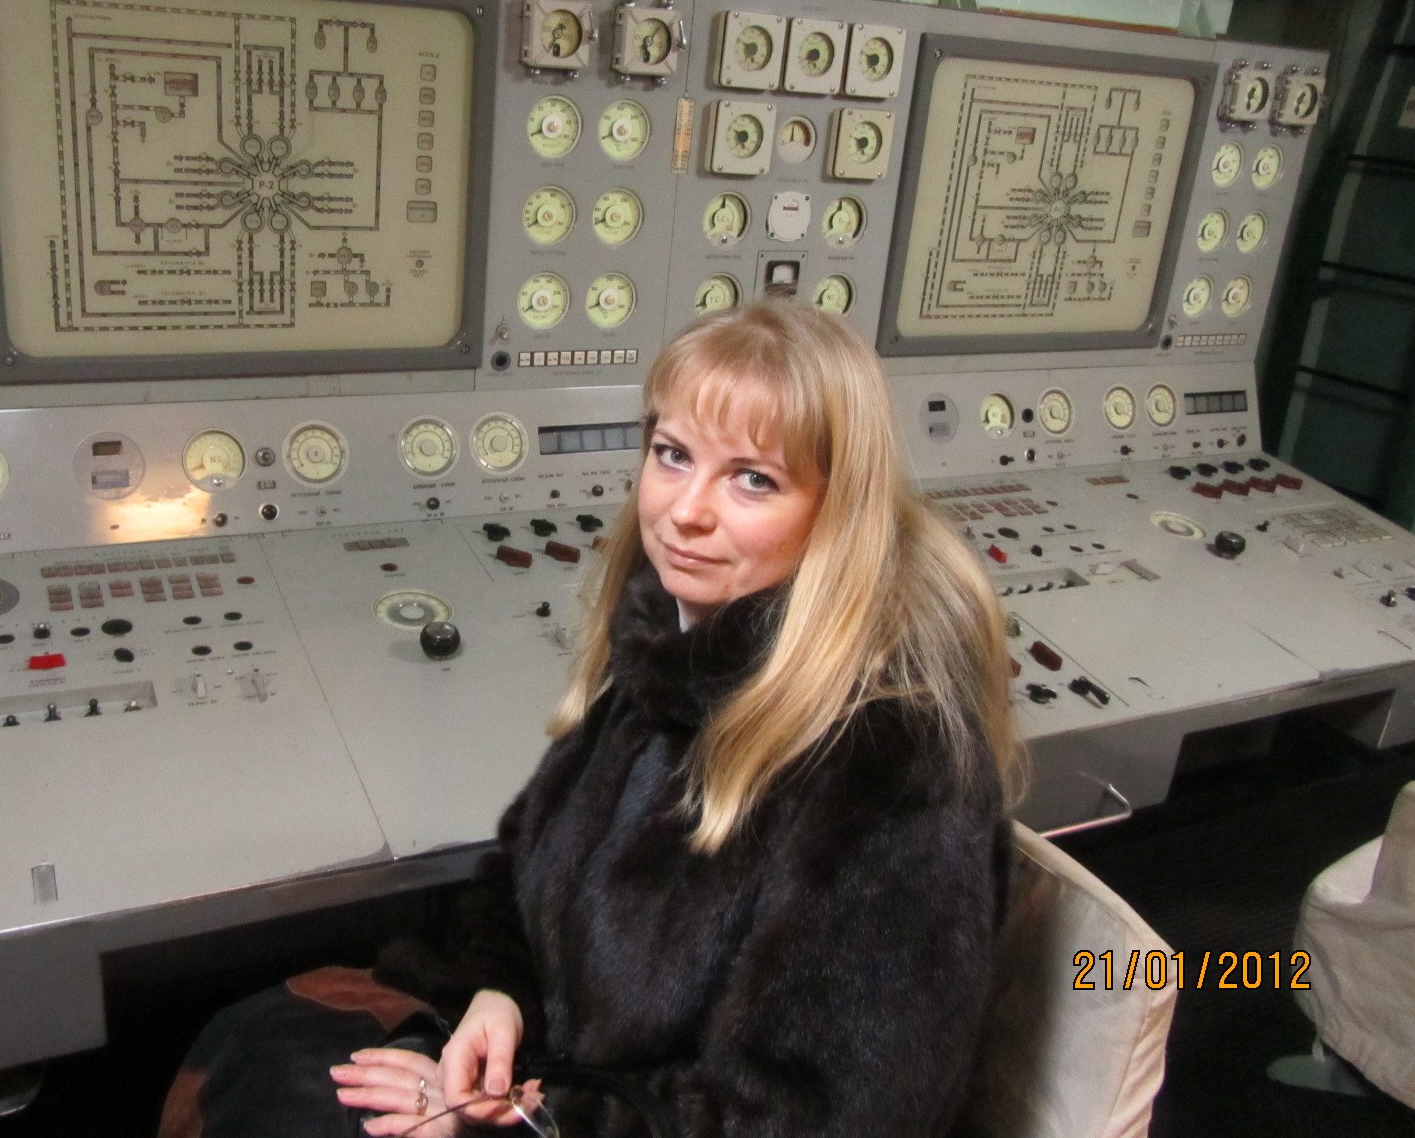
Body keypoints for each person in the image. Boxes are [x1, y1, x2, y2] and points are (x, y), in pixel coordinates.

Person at [161, 296, 1018, 1138]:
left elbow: (818, 1114)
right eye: (673, 455)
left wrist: (521, 1121)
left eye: (753, 479)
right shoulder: (671, 654)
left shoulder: (893, 763)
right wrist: (499, 997)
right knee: (252, 1049)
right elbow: (521, 872)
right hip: (552, 1071)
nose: (687, 510)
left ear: (838, 512)